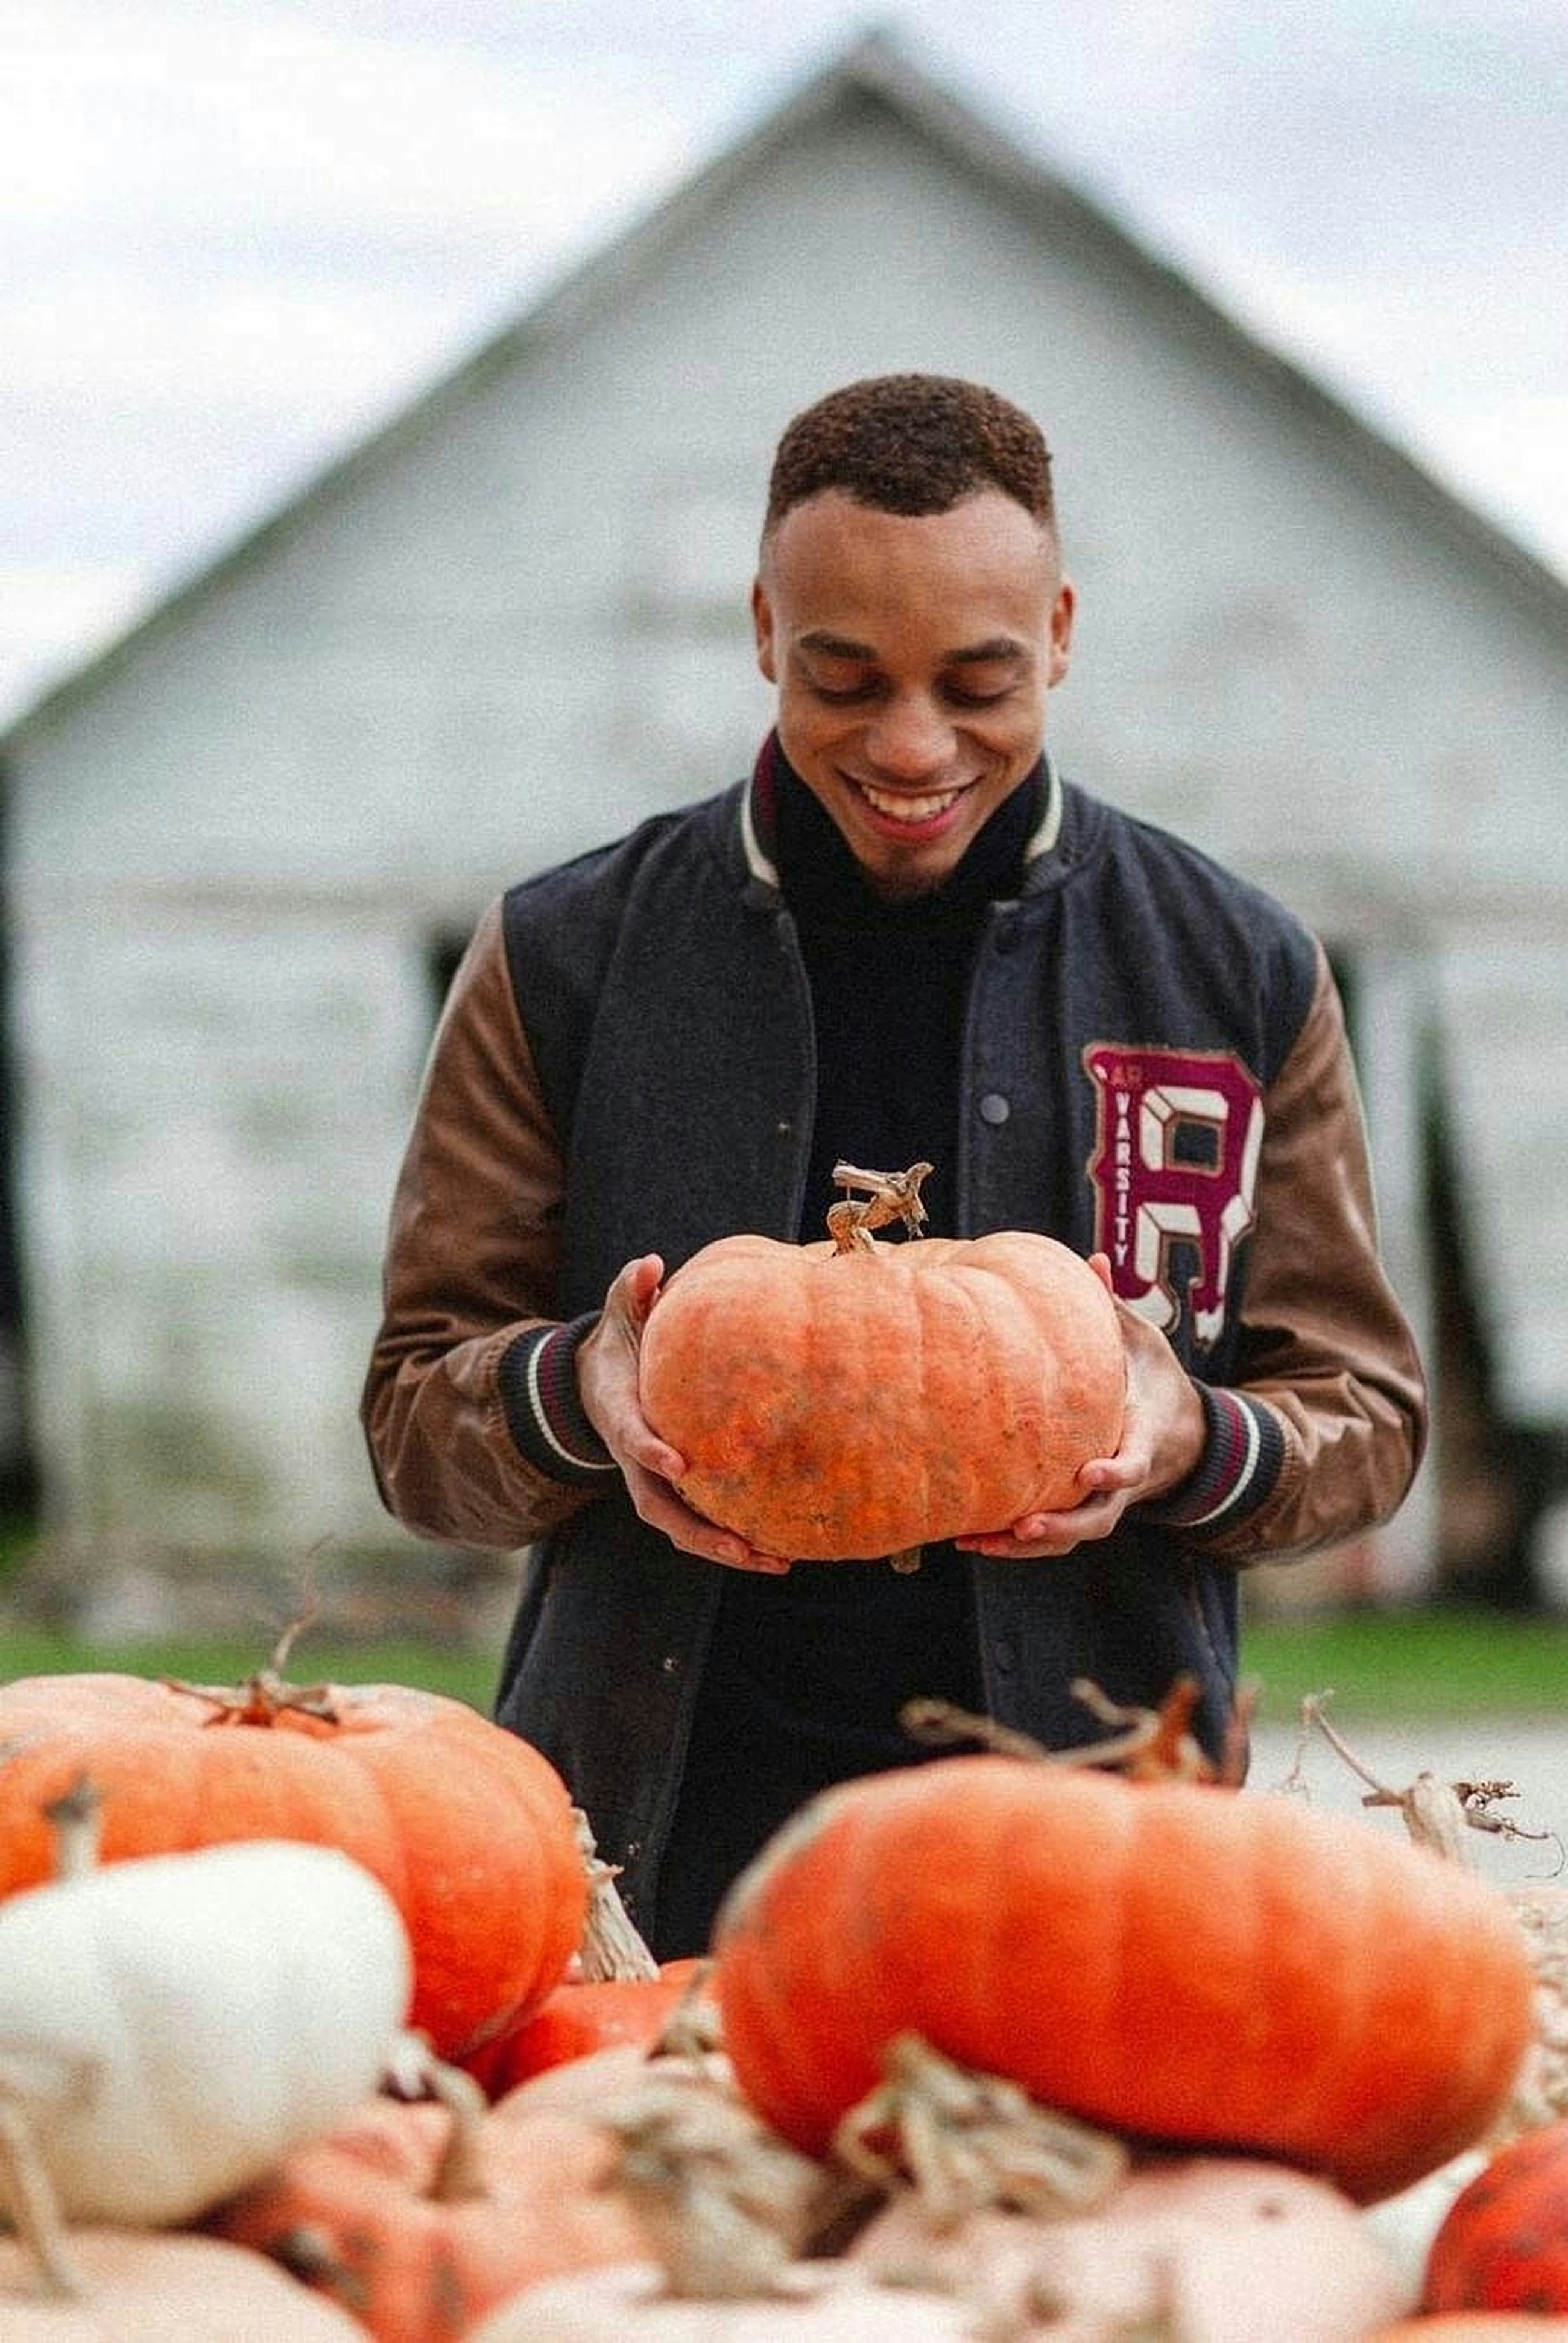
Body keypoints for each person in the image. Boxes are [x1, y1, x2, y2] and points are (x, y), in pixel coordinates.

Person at [362, 373, 1427, 1957]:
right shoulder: (566, 956)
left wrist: (1185, 1437)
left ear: (1060, 634)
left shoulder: (1234, 971)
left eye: (978, 682)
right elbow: (412, 1415)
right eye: (843, 679)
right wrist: (578, 1389)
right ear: (762, 633)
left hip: (1103, 1866)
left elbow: (1368, 1418)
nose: (912, 744)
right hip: (652, 1857)